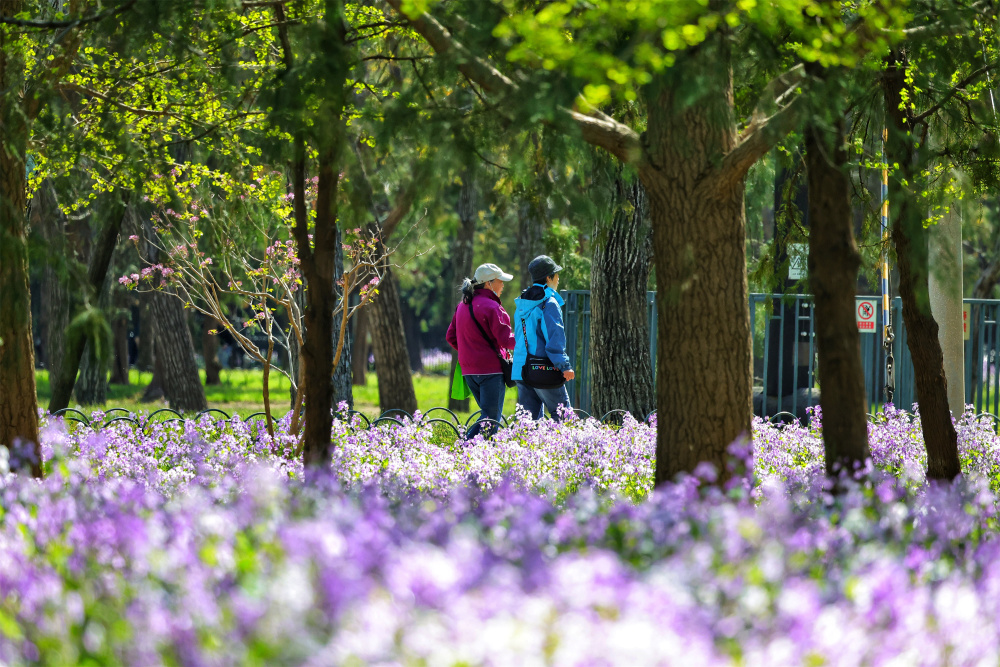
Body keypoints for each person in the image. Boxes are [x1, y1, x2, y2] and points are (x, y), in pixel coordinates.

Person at [445, 263, 515, 439]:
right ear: (488, 283)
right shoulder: (492, 307)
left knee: (486, 417)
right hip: (491, 371)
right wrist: (527, 338)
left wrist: (470, 352)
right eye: (500, 281)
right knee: (491, 421)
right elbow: (507, 340)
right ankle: (464, 451)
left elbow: (450, 337)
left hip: (469, 372)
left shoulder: (462, 306)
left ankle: (479, 458)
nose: (503, 285)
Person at [511, 255, 575, 420]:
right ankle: (564, 447)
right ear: (549, 277)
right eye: (556, 274)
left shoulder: (522, 302)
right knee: (563, 416)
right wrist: (564, 365)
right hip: (542, 369)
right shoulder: (549, 302)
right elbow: (554, 337)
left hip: (521, 369)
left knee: (528, 423)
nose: (558, 278)